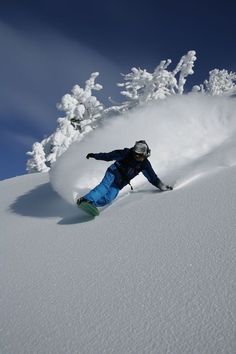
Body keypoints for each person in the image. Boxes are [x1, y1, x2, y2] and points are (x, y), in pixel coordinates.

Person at [77, 140, 173, 208]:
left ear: (145, 154)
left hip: (121, 182)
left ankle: (91, 205)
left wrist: (162, 186)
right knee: (104, 187)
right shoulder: (126, 153)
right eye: (135, 153)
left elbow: (153, 178)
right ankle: (85, 200)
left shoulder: (145, 165)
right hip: (113, 172)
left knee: (109, 198)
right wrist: (94, 155)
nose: (136, 156)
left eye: (139, 155)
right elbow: (108, 156)